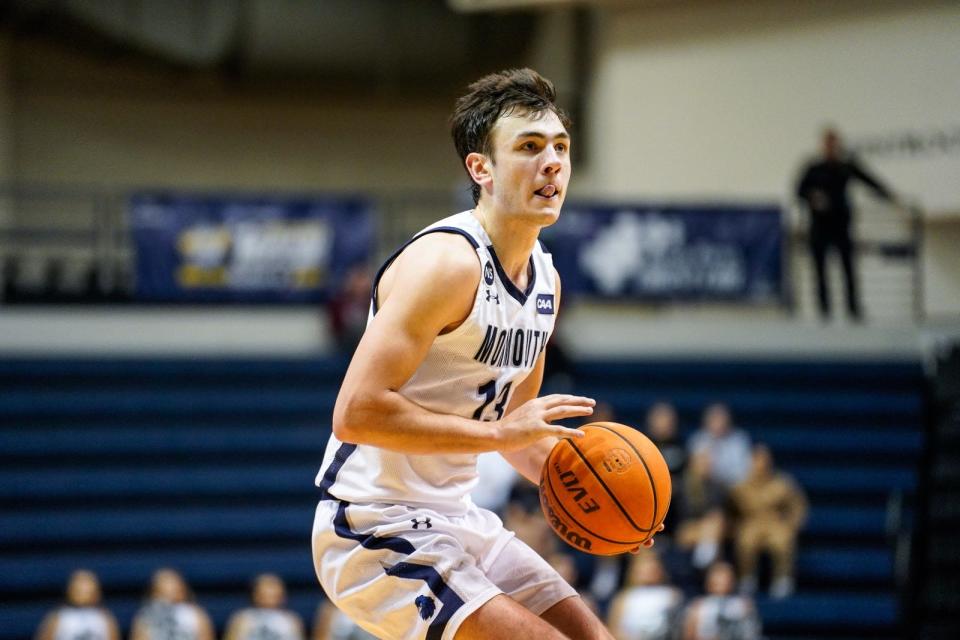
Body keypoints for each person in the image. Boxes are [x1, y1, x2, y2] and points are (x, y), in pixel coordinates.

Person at [311, 68, 662, 640]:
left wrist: (620, 501)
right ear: (482, 169)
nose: (552, 162)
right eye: (528, 147)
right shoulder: (447, 264)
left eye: (561, 147)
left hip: (457, 519)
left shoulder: (546, 281)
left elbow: (520, 436)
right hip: (371, 524)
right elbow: (357, 413)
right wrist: (499, 436)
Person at [796, 127, 900, 321]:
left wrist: (889, 195)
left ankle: (853, 309)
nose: (831, 147)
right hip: (819, 227)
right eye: (828, 143)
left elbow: (868, 180)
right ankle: (824, 311)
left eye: (834, 143)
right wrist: (813, 198)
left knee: (848, 269)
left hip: (841, 225)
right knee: (820, 271)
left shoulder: (845, 166)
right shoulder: (813, 168)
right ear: (822, 145)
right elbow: (799, 191)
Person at [728, 444, 808, 599]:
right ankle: (747, 578)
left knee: (783, 541)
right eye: (757, 460)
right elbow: (729, 509)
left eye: (764, 460)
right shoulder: (740, 486)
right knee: (746, 542)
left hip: (775, 522)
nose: (761, 464)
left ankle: (783, 579)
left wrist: (792, 525)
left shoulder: (782, 483)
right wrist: (733, 526)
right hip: (751, 522)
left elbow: (798, 506)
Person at [607, 552, 684, 640]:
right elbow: (614, 629)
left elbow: (677, 627)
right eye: (643, 566)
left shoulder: (672, 594)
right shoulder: (623, 597)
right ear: (633, 570)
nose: (648, 569)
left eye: (652, 565)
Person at [675, 451, 728, 571]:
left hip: (712, 527)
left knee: (714, 525)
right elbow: (685, 512)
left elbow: (718, 510)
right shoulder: (683, 485)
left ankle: (703, 562)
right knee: (711, 527)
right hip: (687, 527)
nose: (705, 466)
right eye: (702, 463)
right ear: (692, 464)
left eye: (708, 463)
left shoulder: (717, 486)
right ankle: (705, 566)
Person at [681, 562, 760, 640]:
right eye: (718, 580)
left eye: (725, 579)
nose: (722, 583)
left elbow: (751, 633)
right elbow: (689, 635)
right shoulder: (699, 605)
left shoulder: (743, 604)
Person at [34, 570, 121, 640]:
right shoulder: (57, 618)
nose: (83, 590)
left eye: (87, 585)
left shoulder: (105, 619)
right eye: (78, 585)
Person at [130, 568, 214, 640]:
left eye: (176, 592)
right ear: (152, 595)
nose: (170, 600)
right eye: (162, 594)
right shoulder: (144, 618)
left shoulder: (198, 616)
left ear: (184, 592)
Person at [687, 404, 751, 489]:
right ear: (707, 421)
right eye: (714, 419)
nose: (718, 423)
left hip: (734, 488)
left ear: (728, 421)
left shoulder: (739, 440)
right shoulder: (698, 440)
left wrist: (721, 478)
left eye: (721, 419)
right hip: (706, 486)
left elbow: (744, 471)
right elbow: (694, 469)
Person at [224, 573, 306, 640]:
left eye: (273, 587)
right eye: (266, 588)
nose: (269, 593)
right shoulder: (241, 619)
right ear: (254, 593)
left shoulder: (292, 620)